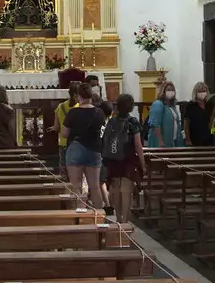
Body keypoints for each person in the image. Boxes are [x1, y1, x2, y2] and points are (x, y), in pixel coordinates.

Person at [59, 82, 106, 208]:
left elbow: (64, 133)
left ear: (78, 96)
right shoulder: (99, 112)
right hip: (94, 149)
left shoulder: (73, 112)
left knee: (76, 186)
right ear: (91, 95)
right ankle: (98, 218)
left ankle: (80, 217)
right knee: (95, 186)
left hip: (75, 148)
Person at [103, 93, 147, 222]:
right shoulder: (133, 121)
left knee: (115, 188)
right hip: (128, 158)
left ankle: (118, 218)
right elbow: (138, 145)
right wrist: (142, 163)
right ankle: (126, 220)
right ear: (130, 107)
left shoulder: (111, 121)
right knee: (126, 189)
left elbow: (105, 141)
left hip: (113, 158)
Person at [146, 81, 180, 148]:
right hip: (160, 142)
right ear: (163, 91)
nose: (171, 92)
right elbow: (156, 124)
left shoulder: (171, 106)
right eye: (168, 90)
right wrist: (160, 141)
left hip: (172, 140)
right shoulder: (158, 104)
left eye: (172, 90)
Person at [180, 82, 214, 147]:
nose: (202, 93)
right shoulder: (190, 105)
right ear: (195, 93)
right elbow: (186, 124)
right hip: (195, 139)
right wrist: (188, 139)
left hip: (210, 138)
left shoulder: (211, 105)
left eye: (204, 91)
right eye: (200, 91)